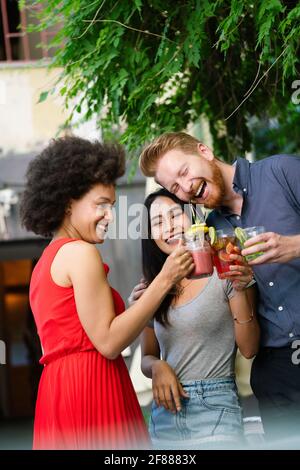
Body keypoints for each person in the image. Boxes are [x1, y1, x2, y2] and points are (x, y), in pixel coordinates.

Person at [20, 136, 194, 450]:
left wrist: (130, 309)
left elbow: (81, 332)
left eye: (112, 207)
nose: (111, 217)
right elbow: (109, 342)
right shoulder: (80, 253)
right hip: (91, 388)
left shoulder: (46, 261)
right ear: (68, 202)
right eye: (101, 205)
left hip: (59, 391)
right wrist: (165, 279)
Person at [139, 132, 300, 445]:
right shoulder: (212, 231)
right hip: (277, 369)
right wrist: (152, 292)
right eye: (174, 187)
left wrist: (293, 246)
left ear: (204, 150)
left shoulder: (281, 172)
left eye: (184, 172)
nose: (185, 187)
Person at [129, 188, 259, 449]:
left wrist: (241, 286)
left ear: (193, 217)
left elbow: (249, 348)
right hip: (165, 413)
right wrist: (158, 367)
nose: (168, 227)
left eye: (175, 215)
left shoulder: (223, 267)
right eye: (157, 222)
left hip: (217, 407)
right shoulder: (153, 287)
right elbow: (146, 357)